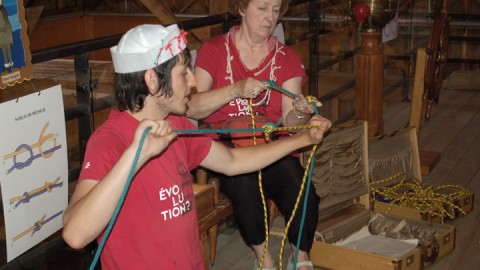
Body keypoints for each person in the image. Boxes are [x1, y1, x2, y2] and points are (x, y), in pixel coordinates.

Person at [62, 24, 331, 270]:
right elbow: (75, 234)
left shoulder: (177, 124)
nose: (192, 81)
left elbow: (232, 161)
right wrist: (135, 156)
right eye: (183, 73)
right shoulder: (110, 140)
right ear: (152, 81)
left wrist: (303, 140)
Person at [187, 0, 321, 269]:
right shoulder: (213, 50)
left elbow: (290, 124)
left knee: (301, 188)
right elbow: (192, 107)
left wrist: (300, 112)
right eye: (262, 8)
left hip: (270, 145)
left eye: (275, 10)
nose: (269, 17)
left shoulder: (287, 58)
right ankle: (264, 258)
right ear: (241, 9)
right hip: (226, 149)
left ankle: (301, 256)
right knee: (246, 185)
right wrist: (234, 90)